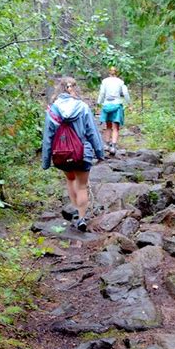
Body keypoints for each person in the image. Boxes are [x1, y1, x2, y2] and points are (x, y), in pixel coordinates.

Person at [42, 76, 104, 232]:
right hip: (83, 152)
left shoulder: (53, 109)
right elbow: (92, 132)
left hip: (62, 153)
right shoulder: (82, 107)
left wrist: (46, 160)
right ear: (74, 88)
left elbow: (48, 137)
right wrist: (99, 152)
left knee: (70, 179)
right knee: (82, 186)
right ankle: (82, 218)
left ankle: (76, 211)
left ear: (59, 89)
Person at [97, 66, 130, 156]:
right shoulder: (120, 82)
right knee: (116, 128)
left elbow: (102, 93)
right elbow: (125, 93)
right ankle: (113, 147)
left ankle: (107, 145)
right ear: (117, 73)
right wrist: (129, 103)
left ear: (109, 73)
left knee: (108, 126)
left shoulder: (105, 81)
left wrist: (98, 103)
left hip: (106, 105)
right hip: (117, 104)